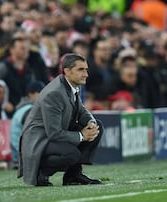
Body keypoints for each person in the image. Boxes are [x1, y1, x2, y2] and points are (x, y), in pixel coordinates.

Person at [18, 53, 103, 186]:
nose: (86, 74)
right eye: (81, 70)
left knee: (98, 126)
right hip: (39, 140)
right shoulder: (55, 93)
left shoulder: (72, 84)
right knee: (71, 154)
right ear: (67, 71)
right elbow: (53, 133)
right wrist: (82, 136)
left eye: (86, 69)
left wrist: (90, 122)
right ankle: (41, 173)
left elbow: (81, 109)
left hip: (52, 135)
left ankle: (73, 175)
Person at [10, 80, 44, 168]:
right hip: (22, 156)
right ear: (30, 94)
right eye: (40, 92)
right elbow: (34, 134)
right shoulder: (30, 110)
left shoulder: (24, 108)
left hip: (19, 153)